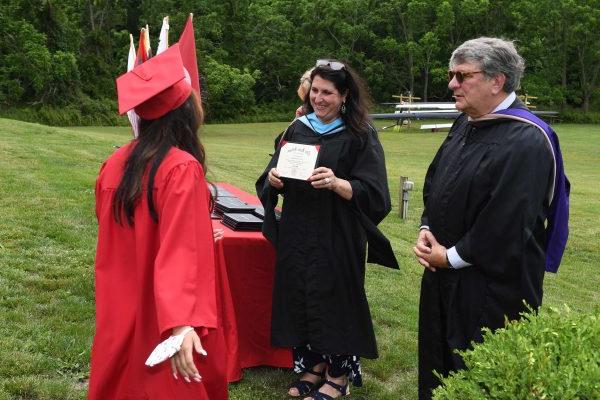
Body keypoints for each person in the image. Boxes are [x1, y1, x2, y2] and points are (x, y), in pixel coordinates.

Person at [413, 37, 569, 399]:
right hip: (442, 275)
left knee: (477, 372)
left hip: (491, 287)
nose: (452, 84)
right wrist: (426, 227)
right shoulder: (467, 123)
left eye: (462, 75)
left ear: (496, 81)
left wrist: (449, 257)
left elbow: (508, 222)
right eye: (452, 74)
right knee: (438, 364)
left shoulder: (527, 139)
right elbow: (437, 180)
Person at [88, 43, 228, 399]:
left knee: (122, 380)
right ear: (184, 113)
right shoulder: (180, 168)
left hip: (119, 300)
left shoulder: (114, 164)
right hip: (162, 311)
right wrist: (182, 325)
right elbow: (180, 251)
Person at [256, 59, 398, 400]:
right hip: (298, 230)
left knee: (336, 301)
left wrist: (338, 183)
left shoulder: (360, 135)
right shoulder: (297, 128)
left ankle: (338, 376)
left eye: (328, 93)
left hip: (338, 233)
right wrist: (273, 180)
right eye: (315, 91)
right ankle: (313, 366)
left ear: (345, 95)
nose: (319, 99)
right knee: (302, 296)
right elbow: (270, 174)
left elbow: (377, 194)